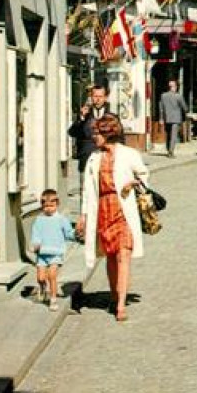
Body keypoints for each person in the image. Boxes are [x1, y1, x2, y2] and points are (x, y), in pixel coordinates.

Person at [77, 114, 149, 322]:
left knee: (123, 255)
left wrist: (131, 184)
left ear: (108, 134)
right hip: (103, 209)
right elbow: (88, 190)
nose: (94, 137)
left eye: (97, 133)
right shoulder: (94, 158)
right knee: (110, 256)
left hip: (122, 209)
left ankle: (120, 305)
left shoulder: (129, 154)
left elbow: (143, 174)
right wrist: (84, 216)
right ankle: (114, 294)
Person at [30, 188, 75, 311]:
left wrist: (77, 234)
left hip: (56, 253)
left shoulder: (61, 220)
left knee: (52, 276)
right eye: (45, 206)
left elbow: (69, 233)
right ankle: (43, 288)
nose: (48, 208)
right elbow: (36, 234)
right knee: (41, 278)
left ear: (57, 204)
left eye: (51, 205)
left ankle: (53, 299)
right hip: (42, 254)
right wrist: (36, 244)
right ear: (42, 206)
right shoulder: (39, 220)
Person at [68, 83, 110, 187]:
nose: (98, 99)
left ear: (105, 98)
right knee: (86, 195)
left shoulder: (111, 117)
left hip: (105, 163)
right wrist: (81, 118)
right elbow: (72, 132)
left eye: (100, 96)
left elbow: (119, 139)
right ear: (91, 97)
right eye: (95, 96)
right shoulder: (85, 115)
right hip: (86, 160)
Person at [159, 79, 188, 157]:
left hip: (167, 118)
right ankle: (171, 151)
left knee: (168, 134)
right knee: (173, 135)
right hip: (176, 118)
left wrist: (161, 118)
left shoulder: (163, 96)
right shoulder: (178, 96)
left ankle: (168, 149)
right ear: (175, 87)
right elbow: (184, 108)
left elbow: (161, 108)